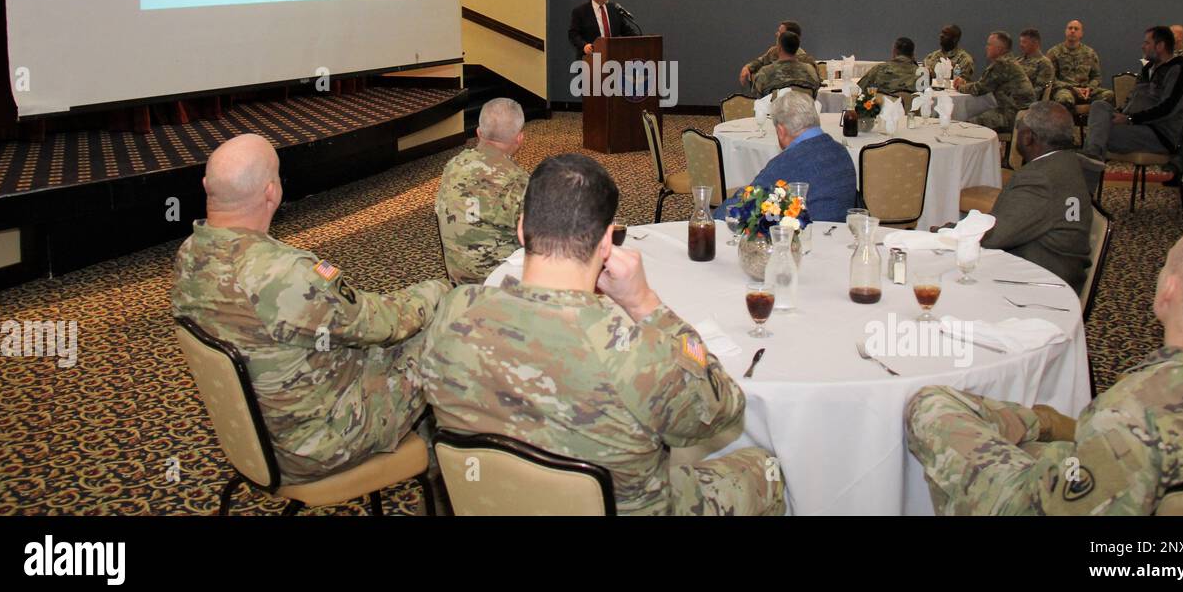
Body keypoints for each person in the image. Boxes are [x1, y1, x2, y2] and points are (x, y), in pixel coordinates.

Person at [419, 153, 786, 516]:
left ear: (521, 228)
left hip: (494, 503)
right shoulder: (637, 356)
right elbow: (723, 406)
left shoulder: (453, 313)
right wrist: (645, 303)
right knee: (766, 469)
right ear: (607, 243)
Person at [905, 224, 1183, 515]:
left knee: (931, 405)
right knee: (1034, 426)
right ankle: (1043, 422)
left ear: (1169, 290)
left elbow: (1047, 506)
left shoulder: (1130, 412)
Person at [171, 134, 448, 483]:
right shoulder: (284, 274)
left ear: (206, 186)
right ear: (272, 191)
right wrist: (436, 291)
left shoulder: (189, 254)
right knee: (448, 330)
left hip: (256, 435)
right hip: (319, 443)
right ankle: (454, 469)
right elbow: (380, 324)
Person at [980, 102, 1091, 289]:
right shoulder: (1068, 163)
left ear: (1027, 137)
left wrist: (946, 234)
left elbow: (993, 237)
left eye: (1019, 127)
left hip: (1040, 281)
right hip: (1062, 269)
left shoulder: (1039, 178)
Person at [714, 90, 856, 222]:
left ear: (781, 131)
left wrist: (716, 215)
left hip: (808, 235)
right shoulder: (842, 152)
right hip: (840, 232)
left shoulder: (787, 163)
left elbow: (742, 207)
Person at [435, 98, 529, 285]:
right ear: (520, 138)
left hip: (458, 283)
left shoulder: (453, 165)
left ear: (478, 132)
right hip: (498, 287)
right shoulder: (518, 181)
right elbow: (538, 240)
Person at [1082, 26, 1183, 179]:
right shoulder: (1148, 69)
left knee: (1099, 134)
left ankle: (1089, 165)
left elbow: (1168, 108)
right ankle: (1092, 157)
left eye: (1147, 43)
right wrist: (1121, 114)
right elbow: (1133, 98)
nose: (1143, 46)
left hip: (1159, 133)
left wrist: (1130, 119)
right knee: (1099, 105)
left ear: (1160, 46)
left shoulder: (1179, 71)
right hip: (1133, 125)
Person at [953, 31, 1035, 134]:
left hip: (1012, 116)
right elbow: (984, 83)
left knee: (966, 126)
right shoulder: (1009, 61)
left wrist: (960, 86)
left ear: (999, 48)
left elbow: (979, 89)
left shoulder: (1001, 64)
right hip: (1023, 114)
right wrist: (965, 84)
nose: (986, 47)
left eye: (989, 44)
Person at [1047, 19, 1113, 110]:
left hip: (1086, 91)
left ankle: (1094, 119)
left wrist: (1089, 88)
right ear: (1065, 31)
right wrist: (1072, 88)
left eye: (1076, 29)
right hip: (1066, 90)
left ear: (1081, 34)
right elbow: (1051, 79)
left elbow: (1096, 77)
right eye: (1070, 28)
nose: (1072, 31)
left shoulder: (1090, 53)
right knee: (1065, 99)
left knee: (1109, 95)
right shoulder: (1054, 52)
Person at [740, 20, 817, 87]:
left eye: (780, 32)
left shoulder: (805, 61)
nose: (776, 34)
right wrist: (747, 67)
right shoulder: (773, 52)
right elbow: (760, 61)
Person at [568, 0, 635, 55]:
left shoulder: (614, 8)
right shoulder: (581, 11)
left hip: (614, 55)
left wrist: (640, 40)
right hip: (592, 55)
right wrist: (584, 46)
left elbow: (626, 31)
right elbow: (573, 34)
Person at [751, 30, 821, 99]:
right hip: (804, 106)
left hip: (775, 106)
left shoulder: (765, 73)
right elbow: (814, 95)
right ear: (797, 48)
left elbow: (758, 100)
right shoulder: (810, 71)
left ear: (779, 48)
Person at [1015, 28, 1056, 97]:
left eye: (1024, 42)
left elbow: (1040, 89)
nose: (1021, 45)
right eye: (1020, 42)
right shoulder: (1017, 61)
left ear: (1035, 43)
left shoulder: (1044, 63)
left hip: (1026, 99)